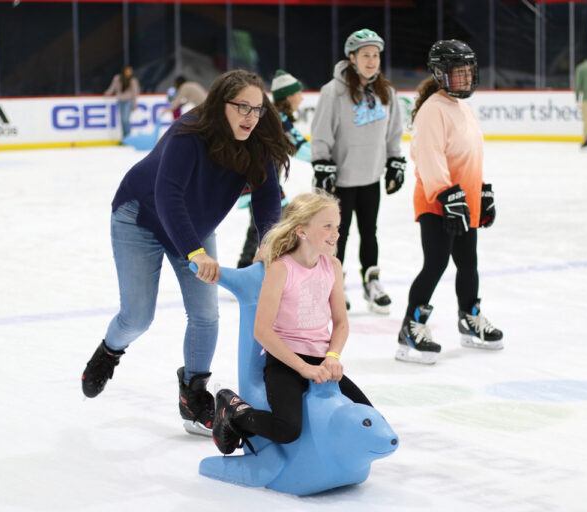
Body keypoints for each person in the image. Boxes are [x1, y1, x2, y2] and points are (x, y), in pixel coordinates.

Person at [81, 70, 292, 437]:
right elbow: (168, 197)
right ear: (220, 103)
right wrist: (194, 251)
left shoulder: (257, 141)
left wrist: (268, 244)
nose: (250, 117)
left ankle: (193, 394)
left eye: (257, 109)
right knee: (137, 317)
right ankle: (110, 351)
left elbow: (267, 199)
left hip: (194, 228)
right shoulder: (188, 134)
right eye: (242, 107)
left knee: (206, 315)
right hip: (140, 218)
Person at [210, 192, 373, 454]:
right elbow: (262, 331)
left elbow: (341, 323)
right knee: (288, 429)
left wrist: (332, 356)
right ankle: (234, 414)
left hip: (322, 361)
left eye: (337, 226)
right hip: (285, 362)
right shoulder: (281, 269)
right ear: (302, 231)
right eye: (327, 226)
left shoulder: (332, 266)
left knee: (368, 418)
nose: (336, 233)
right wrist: (303, 368)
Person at [396, 40, 503, 365]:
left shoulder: (463, 108)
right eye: (458, 74)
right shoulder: (433, 109)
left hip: (463, 200)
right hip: (438, 201)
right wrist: (446, 195)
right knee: (437, 263)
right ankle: (411, 328)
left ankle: (469, 319)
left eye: (468, 73)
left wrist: (481, 191)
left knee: (468, 263)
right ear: (440, 75)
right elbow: (428, 156)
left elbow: (469, 154)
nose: (465, 80)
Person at [311, 28, 406, 315]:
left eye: (375, 55)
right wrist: (321, 164)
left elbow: (393, 133)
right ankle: (333, 285)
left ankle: (372, 281)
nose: (372, 60)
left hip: (370, 177)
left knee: (370, 232)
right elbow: (321, 131)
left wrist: (395, 161)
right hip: (341, 179)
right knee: (338, 235)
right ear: (352, 58)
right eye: (365, 55)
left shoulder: (386, 92)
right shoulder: (334, 91)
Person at [236, 70, 308, 269]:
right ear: (289, 96)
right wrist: (329, 158)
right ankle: (249, 268)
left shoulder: (274, 116)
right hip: (260, 182)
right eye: (299, 93)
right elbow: (302, 149)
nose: (302, 98)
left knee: (267, 226)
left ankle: (254, 267)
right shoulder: (279, 119)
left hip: (259, 181)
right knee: (270, 226)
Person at [104, 65, 140, 139]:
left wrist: (134, 104)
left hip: (128, 102)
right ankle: (125, 138)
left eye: (130, 71)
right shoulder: (117, 78)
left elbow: (135, 93)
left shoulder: (133, 80)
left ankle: (129, 137)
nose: (129, 73)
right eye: (127, 71)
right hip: (120, 101)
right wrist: (107, 93)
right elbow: (112, 87)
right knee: (122, 120)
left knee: (126, 119)